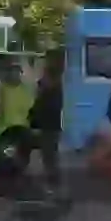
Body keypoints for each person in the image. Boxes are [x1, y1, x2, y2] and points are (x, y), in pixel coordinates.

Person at [20, 55, 63, 187]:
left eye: (44, 74)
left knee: (49, 155)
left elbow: (44, 109)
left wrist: (34, 121)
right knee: (42, 153)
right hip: (44, 127)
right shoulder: (48, 89)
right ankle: (50, 179)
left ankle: (53, 181)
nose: (42, 76)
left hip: (48, 128)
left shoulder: (53, 91)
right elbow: (37, 106)